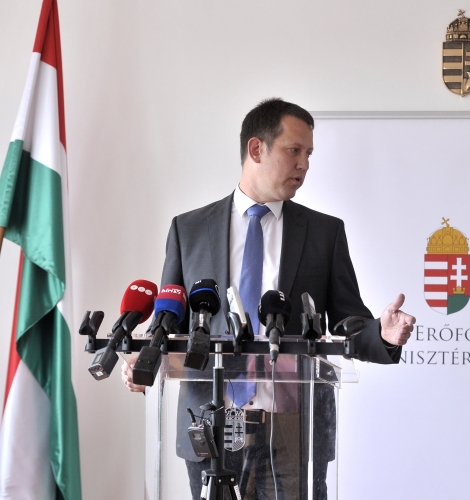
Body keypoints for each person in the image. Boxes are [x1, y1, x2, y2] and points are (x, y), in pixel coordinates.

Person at [121, 98, 416, 499]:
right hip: (210, 424)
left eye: (309, 154)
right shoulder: (188, 229)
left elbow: (349, 321)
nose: (304, 164)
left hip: (293, 427)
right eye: (294, 150)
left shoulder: (324, 233)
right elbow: (171, 318)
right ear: (256, 149)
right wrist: (146, 359)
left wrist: (381, 334)